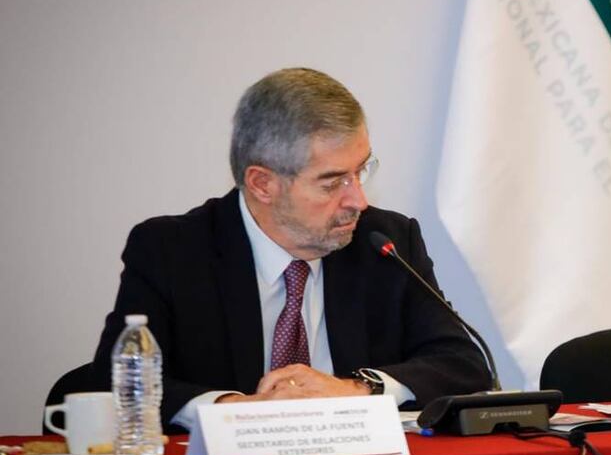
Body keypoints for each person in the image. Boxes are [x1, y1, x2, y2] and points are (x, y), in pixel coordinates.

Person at [92, 68, 491, 432]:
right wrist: (232, 409)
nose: (359, 200)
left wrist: (356, 390)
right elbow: (112, 378)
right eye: (333, 182)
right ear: (263, 184)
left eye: (361, 171)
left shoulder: (384, 241)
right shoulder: (172, 251)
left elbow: (461, 362)